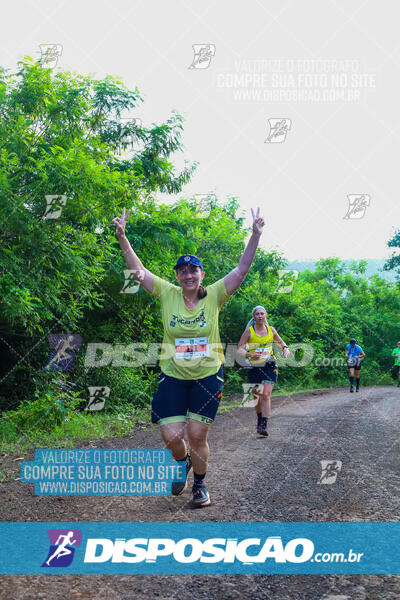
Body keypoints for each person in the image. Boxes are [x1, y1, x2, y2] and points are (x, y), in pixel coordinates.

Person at [112, 206, 265, 507]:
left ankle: (200, 485)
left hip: (208, 375)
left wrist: (255, 235)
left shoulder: (215, 294)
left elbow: (241, 269)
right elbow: (138, 270)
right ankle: (181, 462)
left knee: (197, 435)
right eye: (183, 271)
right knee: (170, 437)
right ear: (178, 277)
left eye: (193, 270)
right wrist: (122, 237)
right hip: (173, 375)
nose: (188, 275)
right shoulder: (167, 293)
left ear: (201, 275)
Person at [237, 306, 290, 436]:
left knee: (266, 394)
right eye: (257, 314)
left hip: (269, 365)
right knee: (256, 395)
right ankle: (260, 418)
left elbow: (281, 342)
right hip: (254, 366)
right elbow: (239, 349)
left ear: (265, 316)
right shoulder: (249, 332)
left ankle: (264, 424)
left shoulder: (271, 330)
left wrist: (285, 348)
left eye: (262, 314)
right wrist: (250, 355)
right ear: (254, 317)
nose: (260, 316)